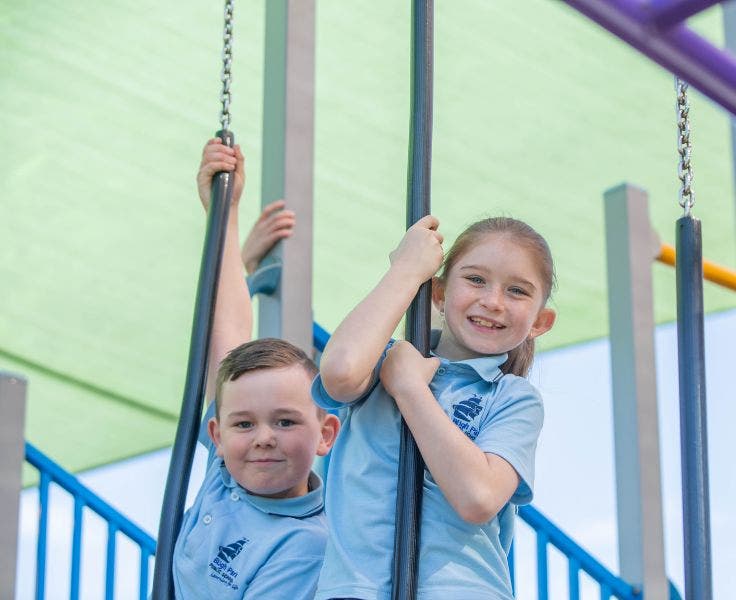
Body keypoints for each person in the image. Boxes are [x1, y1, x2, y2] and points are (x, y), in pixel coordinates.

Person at [313, 215, 557, 599]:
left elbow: (477, 497)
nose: (492, 301)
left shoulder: (512, 398)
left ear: (541, 321)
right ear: (439, 294)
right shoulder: (382, 361)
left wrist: (411, 390)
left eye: (517, 291)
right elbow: (340, 373)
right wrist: (406, 272)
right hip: (357, 588)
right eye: (475, 280)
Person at [172, 137, 340, 599]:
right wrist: (222, 215)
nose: (263, 436)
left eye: (285, 421)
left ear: (326, 433)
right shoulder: (226, 474)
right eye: (244, 423)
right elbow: (225, 338)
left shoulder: (306, 544)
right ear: (217, 437)